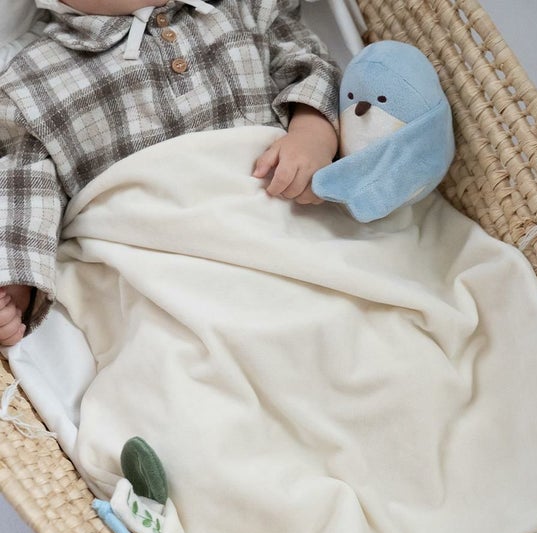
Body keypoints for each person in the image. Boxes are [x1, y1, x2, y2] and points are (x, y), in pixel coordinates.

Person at [0, 0, 340, 346]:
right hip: (155, 261)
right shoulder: (30, 82)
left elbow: (309, 63)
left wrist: (313, 133)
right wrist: (17, 286)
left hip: (279, 218)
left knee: (337, 311)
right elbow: (22, 192)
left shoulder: (243, 8)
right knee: (166, 344)